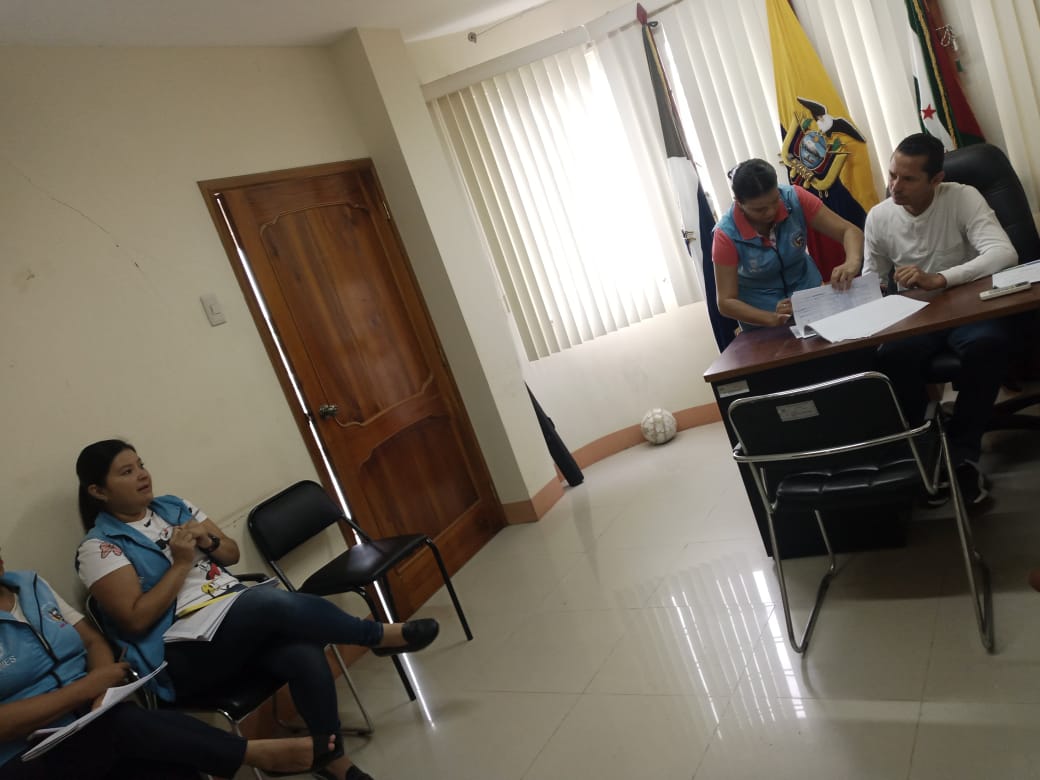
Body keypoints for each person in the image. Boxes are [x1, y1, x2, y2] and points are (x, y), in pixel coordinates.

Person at [75, 440, 442, 780]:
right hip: (181, 652)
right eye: (127, 472)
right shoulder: (100, 547)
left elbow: (231, 554)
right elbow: (136, 621)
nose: (142, 475)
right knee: (268, 602)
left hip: (232, 620)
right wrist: (182, 563)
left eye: (141, 465)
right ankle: (376, 636)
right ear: (98, 491)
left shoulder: (173, 506)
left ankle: (330, 758)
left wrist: (208, 540)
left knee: (301, 650)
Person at [0, 548, 331, 779]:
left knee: (167, 761)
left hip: (91, 720)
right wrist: (90, 687)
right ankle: (251, 754)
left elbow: (92, 641)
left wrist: (102, 690)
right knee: (123, 725)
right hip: (24, 756)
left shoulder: (31, 585)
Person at [863, 133, 1017, 505]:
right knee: (890, 357)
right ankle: (926, 451)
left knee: (987, 345)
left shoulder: (962, 197)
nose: (894, 187)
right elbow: (871, 278)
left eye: (908, 179)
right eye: (892, 175)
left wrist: (942, 278)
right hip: (916, 314)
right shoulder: (879, 217)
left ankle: (962, 453)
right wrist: (861, 288)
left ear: (936, 179)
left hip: (967, 304)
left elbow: (1004, 253)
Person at [712, 158, 865, 330]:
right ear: (739, 203)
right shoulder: (726, 234)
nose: (770, 212)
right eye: (759, 209)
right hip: (762, 319)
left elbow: (849, 231)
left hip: (812, 302)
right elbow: (726, 301)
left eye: (774, 201)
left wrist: (852, 262)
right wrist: (770, 318)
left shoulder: (794, 198)